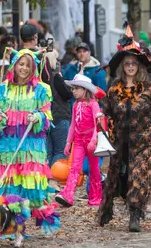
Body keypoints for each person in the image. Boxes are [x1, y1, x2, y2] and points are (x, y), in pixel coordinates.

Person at [98, 36, 151, 232]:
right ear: (122, 67)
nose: (130, 66)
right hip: (121, 141)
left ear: (139, 67)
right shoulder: (114, 90)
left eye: (133, 63)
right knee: (115, 177)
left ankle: (135, 215)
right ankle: (107, 210)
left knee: (138, 176)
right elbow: (106, 113)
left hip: (145, 141)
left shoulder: (148, 89)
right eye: (126, 63)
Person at [0, 49, 59, 234]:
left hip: (31, 147)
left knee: (31, 188)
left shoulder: (41, 89)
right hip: (8, 147)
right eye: (21, 64)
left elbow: (47, 114)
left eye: (28, 65)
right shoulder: (3, 89)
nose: (24, 68)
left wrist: (38, 117)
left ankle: (30, 221)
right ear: (14, 65)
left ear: (34, 68)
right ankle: (13, 227)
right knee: (11, 188)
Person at [54, 74, 102, 207]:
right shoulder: (75, 105)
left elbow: (96, 123)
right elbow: (73, 125)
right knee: (75, 167)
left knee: (94, 169)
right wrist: (69, 142)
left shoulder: (93, 105)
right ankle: (68, 195)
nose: (73, 91)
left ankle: (95, 196)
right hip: (79, 140)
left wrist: (94, 140)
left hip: (91, 140)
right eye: (73, 88)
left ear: (85, 90)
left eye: (76, 88)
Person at [45, 51, 74, 167]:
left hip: (45, 118)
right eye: (56, 60)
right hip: (59, 118)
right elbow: (67, 94)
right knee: (61, 151)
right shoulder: (55, 76)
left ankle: (47, 177)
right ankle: (56, 176)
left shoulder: (39, 77)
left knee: (48, 152)